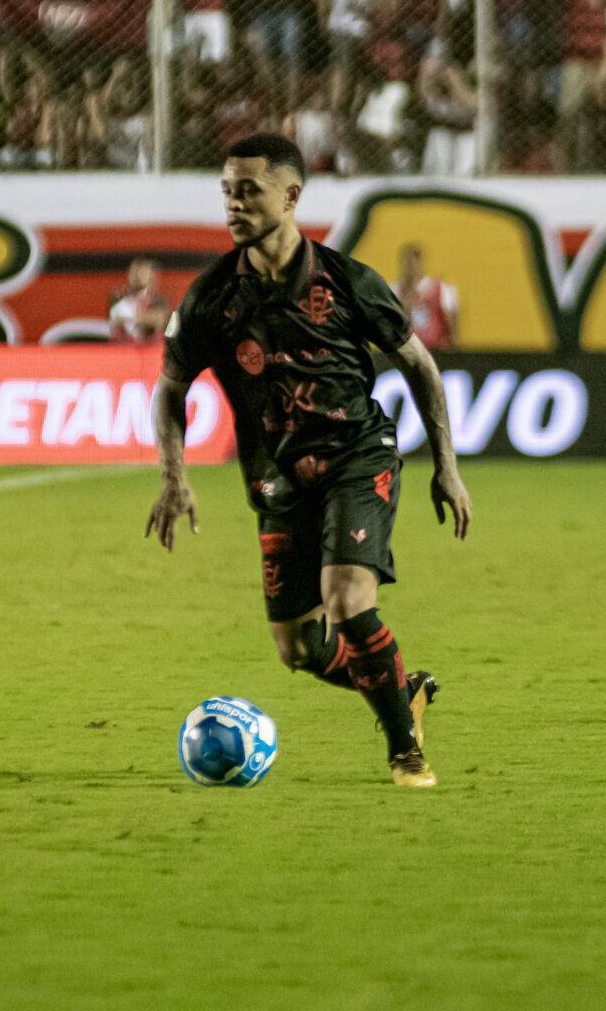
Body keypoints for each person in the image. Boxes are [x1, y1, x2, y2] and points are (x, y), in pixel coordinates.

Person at [146, 133, 472, 789]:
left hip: (358, 458)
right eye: (227, 192)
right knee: (299, 649)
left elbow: (421, 367)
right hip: (277, 479)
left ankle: (406, 750)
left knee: (347, 600)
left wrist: (447, 464)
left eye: (249, 192)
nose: (234, 205)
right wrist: (174, 477)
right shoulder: (213, 296)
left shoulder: (348, 281)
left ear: (291, 196)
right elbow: (171, 390)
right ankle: (401, 690)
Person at [390, 243, 458, 350]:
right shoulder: (394, 290)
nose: (411, 267)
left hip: (436, 351)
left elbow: (452, 326)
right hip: (407, 352)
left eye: (414, 262)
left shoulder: (441, 289)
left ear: (421, 263)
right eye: (407, 262)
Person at [108, 258, 170, 344]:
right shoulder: (118, 298)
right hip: (122, 350)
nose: (137, 275)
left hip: (151, 350)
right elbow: (114, 321)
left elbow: (159, 320)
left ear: (151, 276)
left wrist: (130, 318)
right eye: (134, 271)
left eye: (143, 272)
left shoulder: (159, 301)